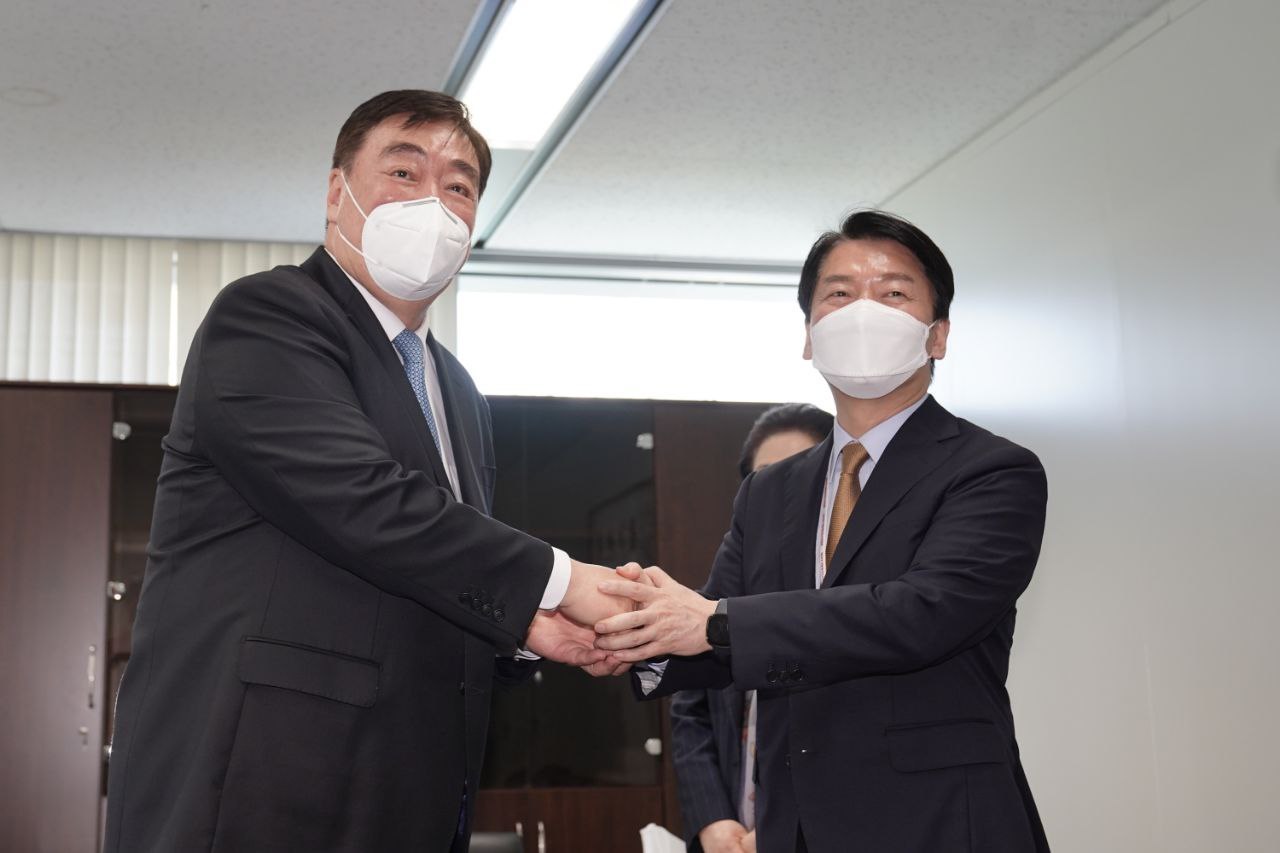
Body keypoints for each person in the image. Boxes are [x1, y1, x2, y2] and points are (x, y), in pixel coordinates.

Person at [103, 90, 631, 853]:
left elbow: (434, 564)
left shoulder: (457, 391)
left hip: (411, 789)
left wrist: (525, 627)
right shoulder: (268, 317)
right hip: (264, 783)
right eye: (404, 171)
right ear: (335, 192)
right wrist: (563, 580)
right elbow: (365, 502)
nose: (433, 203)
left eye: (459, 187)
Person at [597, 211, 1050, 852]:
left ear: (938, 335)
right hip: (795, 826)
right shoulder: (770, 490)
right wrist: (616, 628)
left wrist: (710, 623)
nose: (863, 311)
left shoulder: (992, 470)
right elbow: (710, 630)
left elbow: (920, 614)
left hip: (941, 823)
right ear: (810, 334)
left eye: (894, 293)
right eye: (838, 294)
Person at [672, 403, 832, 853]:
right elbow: (691, 709)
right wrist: (713, 821)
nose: (785, 488)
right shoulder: (732, 584)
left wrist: (785, 826)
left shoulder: (856, 596)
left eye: (802, 472)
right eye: (767, 476)